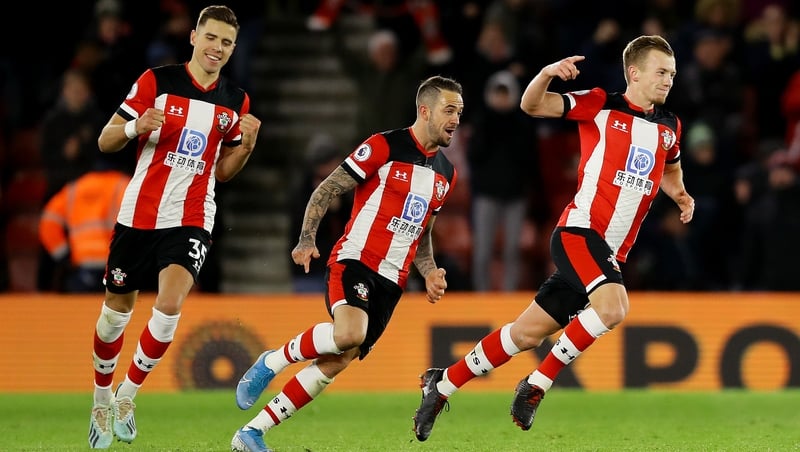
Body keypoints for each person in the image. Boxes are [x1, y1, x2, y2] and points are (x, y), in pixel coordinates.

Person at [412, 34, 695, 442]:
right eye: (660, 71)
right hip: (579, 233)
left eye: (672, 73)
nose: (668, 79)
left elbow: (670, 168)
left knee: (525, 335)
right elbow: (533, 105)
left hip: (606, 252)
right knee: (613, 308)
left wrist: (681, 194)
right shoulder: (600, 103)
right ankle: (537, 384)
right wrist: (546, 75)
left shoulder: (670, 125)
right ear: (634, 72)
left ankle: (441, 384)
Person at [230, 75, 463, 452]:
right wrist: (307, 238)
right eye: (449, 110)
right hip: (356, 259)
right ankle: (273, 360)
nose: (456, 118)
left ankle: (251, 432)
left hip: (393, 281)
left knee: (339, 360)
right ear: (425, 110)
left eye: (460, 112)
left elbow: (423, 234)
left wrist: (430, 270)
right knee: (349, 334)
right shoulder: (383, 146)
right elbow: (327, 188)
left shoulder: (446, 174)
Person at [86, 5, 261, 449]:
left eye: (226, 43)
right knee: (113, 318)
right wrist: (134, 128)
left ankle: (128, 394)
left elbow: (223, 172)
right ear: (194, 37)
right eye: (211, 38)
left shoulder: (235, 100)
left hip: (192, 216)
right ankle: (101, 397)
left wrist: (248, 146)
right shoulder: (156, 81)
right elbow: (105, 139)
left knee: (169, 305)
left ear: (232, 49)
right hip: (139, 215)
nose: (216, 49)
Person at [38, 156, 131, 293]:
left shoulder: (74, 188)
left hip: (82, 266)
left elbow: (48, 224)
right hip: (115, 265)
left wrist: (64, 255)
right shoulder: (123, 184)